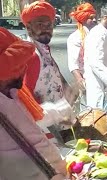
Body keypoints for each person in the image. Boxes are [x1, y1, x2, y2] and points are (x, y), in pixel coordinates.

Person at [0, 27, 72, 180]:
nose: (22, 71)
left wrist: (60, 111)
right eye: (15, 67)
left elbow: (29, 123)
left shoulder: (10, 91)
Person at [21, 1, 76, 144]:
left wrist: (66, 87)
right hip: (42, 128)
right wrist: (54, 114)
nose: (46, 29)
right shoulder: (32, 54)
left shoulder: (44, 50)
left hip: (55, 122)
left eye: (49, 25)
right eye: (40, 25)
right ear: (28, 27)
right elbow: (26, 96)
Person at [67, 3, 96, 111]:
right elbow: (73, 64)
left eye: (94, 17)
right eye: (91, 18)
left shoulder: (97, 34)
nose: (94, 20)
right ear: (83, 19)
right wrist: (80, 80)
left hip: (101, 79)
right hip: (86, 81)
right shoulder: (75, 38)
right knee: (89, 111)